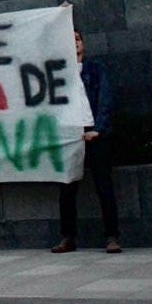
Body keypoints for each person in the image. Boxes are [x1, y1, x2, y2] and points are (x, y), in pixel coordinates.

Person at [52, 30, 122, 254]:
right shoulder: (60, 74)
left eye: (78, 39)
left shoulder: (96, 70)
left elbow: (105, 101)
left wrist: (97, 130)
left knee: (104, 187)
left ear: (84, 44)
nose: (74, 43)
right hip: (71, 136)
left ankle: (112, 237)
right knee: (67, 189)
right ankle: (68, 237)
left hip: (94, 135)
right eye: (69, 39)